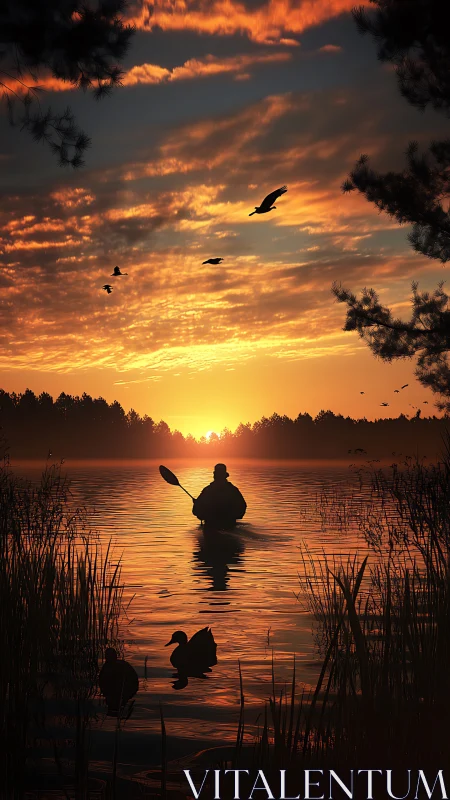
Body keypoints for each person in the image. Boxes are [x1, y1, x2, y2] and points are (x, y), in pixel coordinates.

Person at [193, 464, 246, 529]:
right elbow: (242, 505)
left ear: (214, 475)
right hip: (230, 524)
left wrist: (197, 505)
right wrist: (233, 516)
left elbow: (196, 511)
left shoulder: (208, 490)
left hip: (211, 525)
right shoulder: (233, 489)